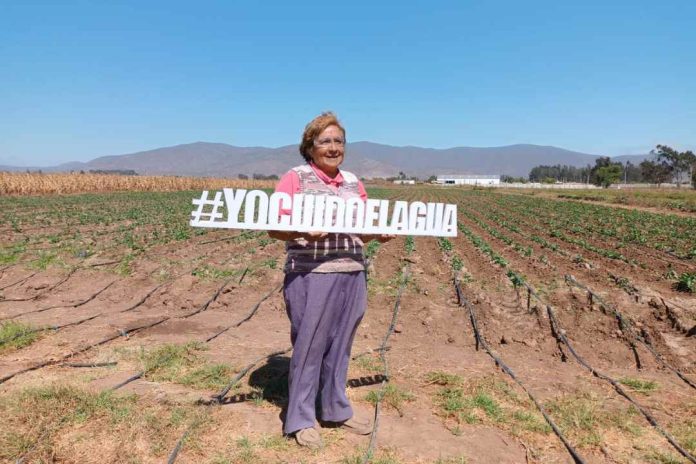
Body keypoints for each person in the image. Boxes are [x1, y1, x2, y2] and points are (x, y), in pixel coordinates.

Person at [268, 112, 393, 449]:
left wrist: (376, 234)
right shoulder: (295, 178)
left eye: (339, 141)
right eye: (325, 141)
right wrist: (301, 230)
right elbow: (273, 227)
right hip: (311, 273)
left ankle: (335, 408)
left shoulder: (353, 182)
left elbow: (361, 232)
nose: (333, 147)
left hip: (352, 272)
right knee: (310, 346)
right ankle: (301, 418)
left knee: (340, 347)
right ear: (310, 147)